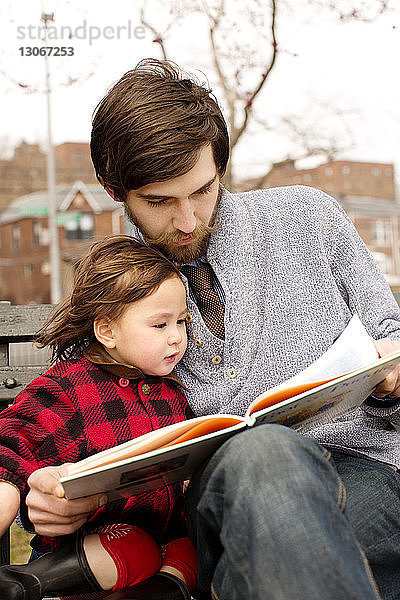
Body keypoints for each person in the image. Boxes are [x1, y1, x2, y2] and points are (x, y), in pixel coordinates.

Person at [15, 58, 400, 600]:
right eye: (159, 202)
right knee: (264, 456)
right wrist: (59, 501)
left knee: (307, 548)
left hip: (363, 469)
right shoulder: (112, 297)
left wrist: (391, 372)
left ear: (221, 166)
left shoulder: (309, 220)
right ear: (112, 188)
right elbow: (72, 436)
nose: (189, 221)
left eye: (202, 190)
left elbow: (391, 334)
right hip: (222, 497)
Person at [0, 235, 197, 600]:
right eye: (160, 325)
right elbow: (12, 446)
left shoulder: (173, 394)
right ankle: (20, 585)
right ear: (106, 330)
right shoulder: (69, 388)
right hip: (81, 563)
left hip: (157, 557)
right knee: (131, 544)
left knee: (185, 550)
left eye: (182, 323)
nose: (176, 338)